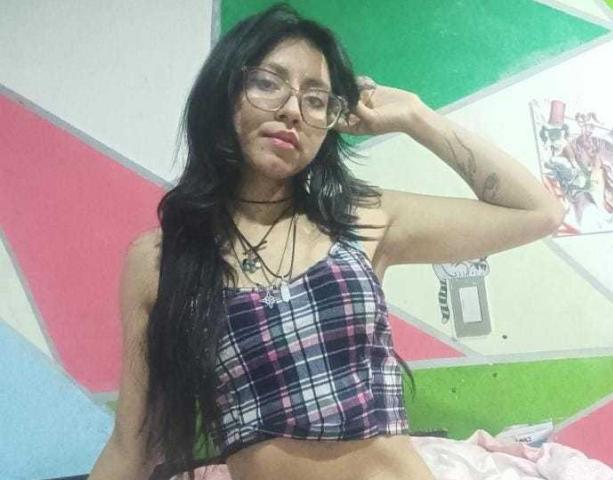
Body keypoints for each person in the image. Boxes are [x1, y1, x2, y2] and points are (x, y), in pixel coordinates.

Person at [88, 4, 565, 480]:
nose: (292, 110)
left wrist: (415, 116)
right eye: (268, 83)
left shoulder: (361, 219)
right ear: (224, 92)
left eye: (316, 100)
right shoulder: (163, 261)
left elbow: (537, 213)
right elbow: (132, 446)